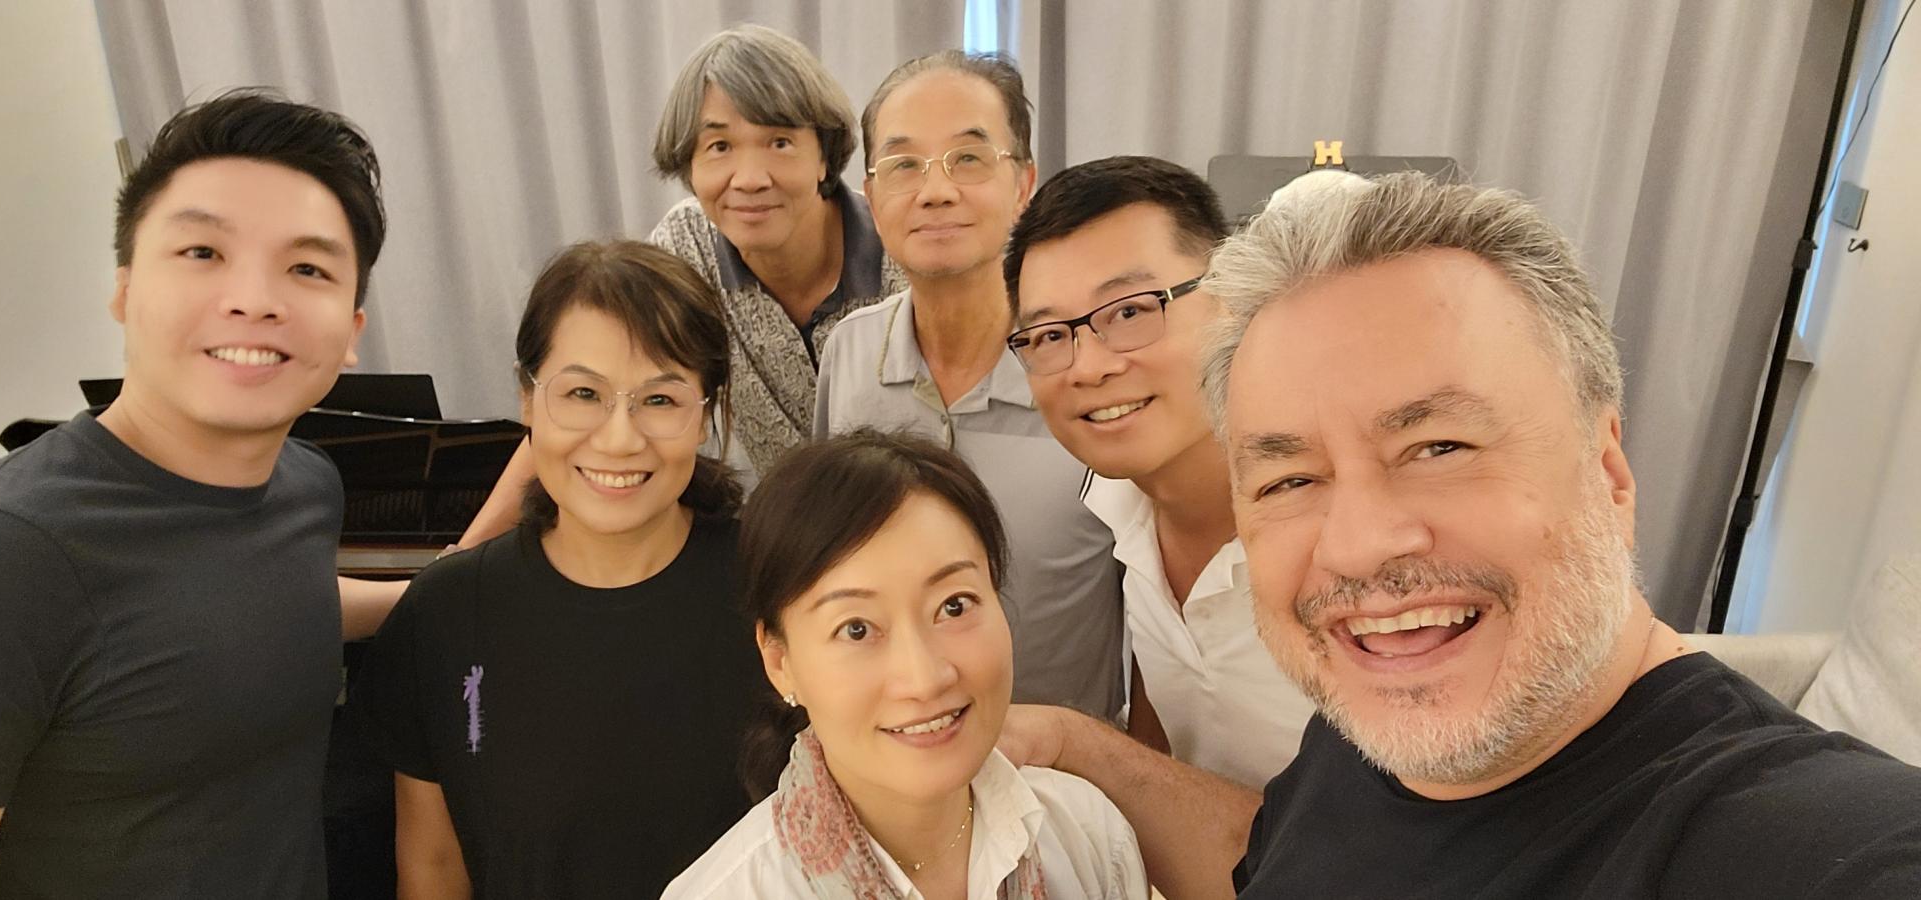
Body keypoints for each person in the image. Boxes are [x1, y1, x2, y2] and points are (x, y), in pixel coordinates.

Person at [1002, 171, 1921, 898]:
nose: (1356, 547)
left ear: (1609, 470)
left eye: (1438, 447)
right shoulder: (1362, 728)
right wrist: (1068, 746)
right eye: (1291, 479)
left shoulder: (1815, 848)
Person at [0, 89, 385, 898]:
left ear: (351, 332)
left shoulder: (307, 484)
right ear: (124, 291)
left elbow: (252, 597)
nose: (254, 299)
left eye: (306, 268)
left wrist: (461, 585)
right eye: (203, 252)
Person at [348, 241, 764, 898]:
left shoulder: (778, 590)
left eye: (660, 400)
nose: (619, 438)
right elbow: (434, 868)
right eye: (582, 394)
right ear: (527, 399)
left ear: (704, 413)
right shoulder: (445, 614)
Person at [454, 24, 905, 548]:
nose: (749, 178)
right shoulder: (685, 244)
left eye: (780, 142)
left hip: (903, 532)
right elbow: (579, 397)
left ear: (825, 154)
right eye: (719, 146)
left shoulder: (902, 250)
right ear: (689, 163)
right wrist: (461, 556)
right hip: (779, 546)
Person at [664, 430, 1145, 899]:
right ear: (780, 661)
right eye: (857, 629)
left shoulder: (1088, 835)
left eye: (954, 606)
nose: (925, 678)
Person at [814, 51, 1125, 722]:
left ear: (1023, 184)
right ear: (871, 197)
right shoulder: (849, 353)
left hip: (1067, 772)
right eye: (903, 165)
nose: (936, 191)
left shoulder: (1090, 370)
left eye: (969, 159)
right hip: (894, 748)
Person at [1001, 156, 1315, 790]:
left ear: (1232, 297)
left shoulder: (1339, 539)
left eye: (1129, 312)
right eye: (1050, 335)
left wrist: (1075, 745)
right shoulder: (1116, 506)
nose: (1088, 367)